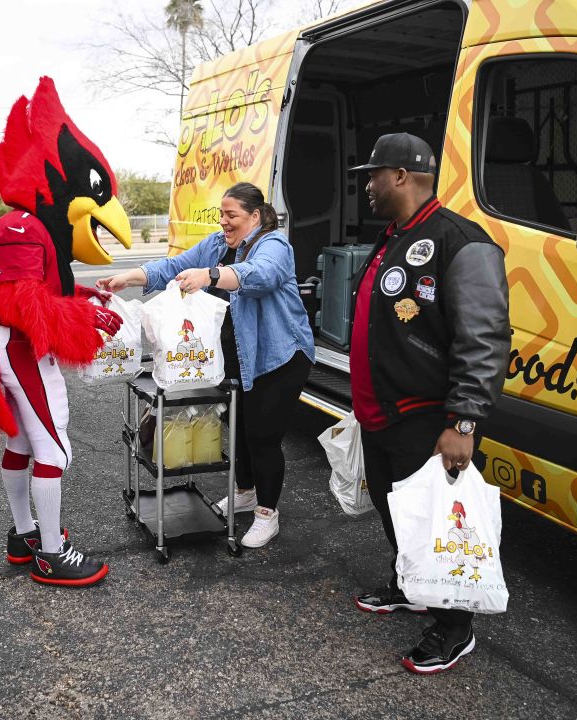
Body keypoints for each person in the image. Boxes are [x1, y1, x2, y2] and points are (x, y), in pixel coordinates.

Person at [0, 77, 131, 587]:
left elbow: (41, 292)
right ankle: (51, 553)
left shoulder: (31, 228)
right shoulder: (20, 226)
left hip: (22, 351)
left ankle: (25, 534)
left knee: (29, 446)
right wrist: (82, 318)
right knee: (54, 450)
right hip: (24, 354)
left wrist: (82, 302)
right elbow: (15, 302)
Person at [346, 133, 509, 674]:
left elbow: (482, 339)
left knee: (437, 524)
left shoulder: (460, 240)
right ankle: (409, 583)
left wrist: (463, 420)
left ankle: (455, 628)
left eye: (372, 175)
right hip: (382, 413)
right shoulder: (395, 235)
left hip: (428, 415)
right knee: (398, 512)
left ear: (399, 176)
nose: (366, 186)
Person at [98, 182, 315, 549]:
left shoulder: (274, 245)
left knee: (262, 435)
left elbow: (259, 276)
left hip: (279, 356)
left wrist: (210, 276)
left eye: (231, 216)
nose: (224, 223)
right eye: (221, 215)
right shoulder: (218, 244)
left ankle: (267, 513)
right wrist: (129, 277)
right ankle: (245, 493)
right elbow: (175, 266)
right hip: (237, 358)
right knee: (240, 429)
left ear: (256, 216)